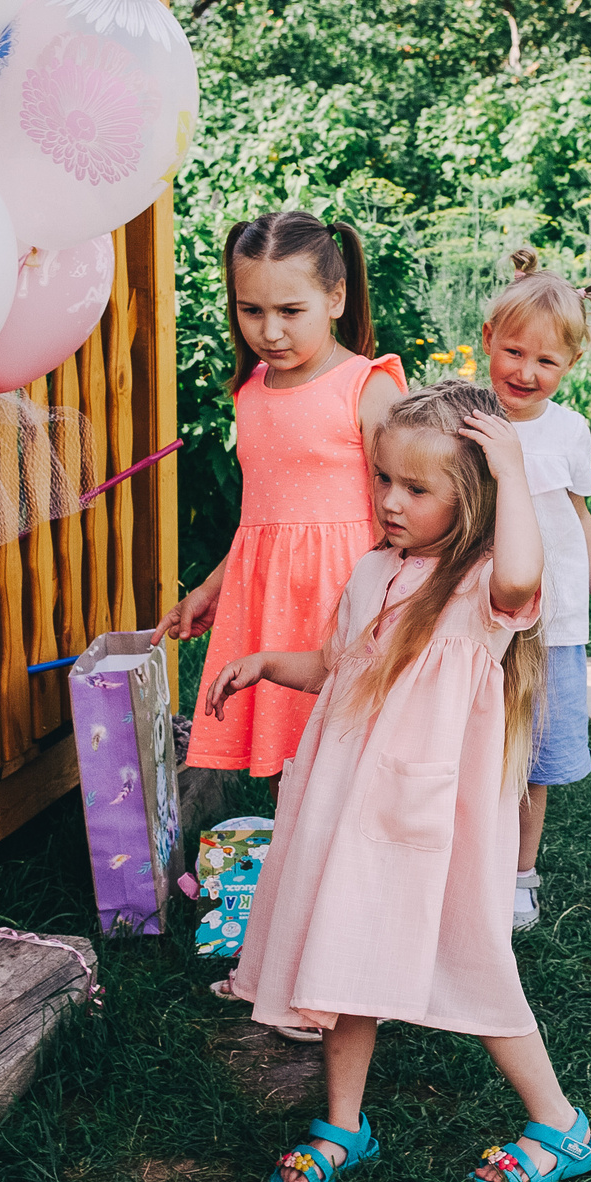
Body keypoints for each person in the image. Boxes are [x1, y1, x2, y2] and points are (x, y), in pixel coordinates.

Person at [207, 379, 591, 1182]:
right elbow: (336, 667)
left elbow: (522, 569)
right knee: (344, 945)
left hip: (435, 820)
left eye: (417, 488)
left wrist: (513, 466)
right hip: (352, 806)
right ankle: (343, 1125)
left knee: (473, 960)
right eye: (383, 478)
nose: (390, 500)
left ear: (475, 499)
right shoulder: (371, 572)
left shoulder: (484, 586)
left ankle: (562, 1123)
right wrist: (267, 664)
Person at [160, 210, 405, 780]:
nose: (269, 332)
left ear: (336, 298)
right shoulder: (250, 392)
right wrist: (211, 589)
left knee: (349, 759)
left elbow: (409, 504)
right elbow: (262, 521)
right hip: (269, 602)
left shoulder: (368, 386)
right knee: (284, 762)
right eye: (252, 310)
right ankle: (290, 839)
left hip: (346, 594)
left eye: (291, 311)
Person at [481, 251, 591, 930]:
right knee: (471, 747)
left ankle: (519, 876)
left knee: (534, 761)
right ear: (488, 339)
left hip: (550, 624)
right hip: (478, 617)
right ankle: (465, 867)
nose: (526, 372)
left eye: (546, 361)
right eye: (514, 351)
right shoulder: (464, 416)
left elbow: (577, 517)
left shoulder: (568, 430)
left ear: (572, 364)